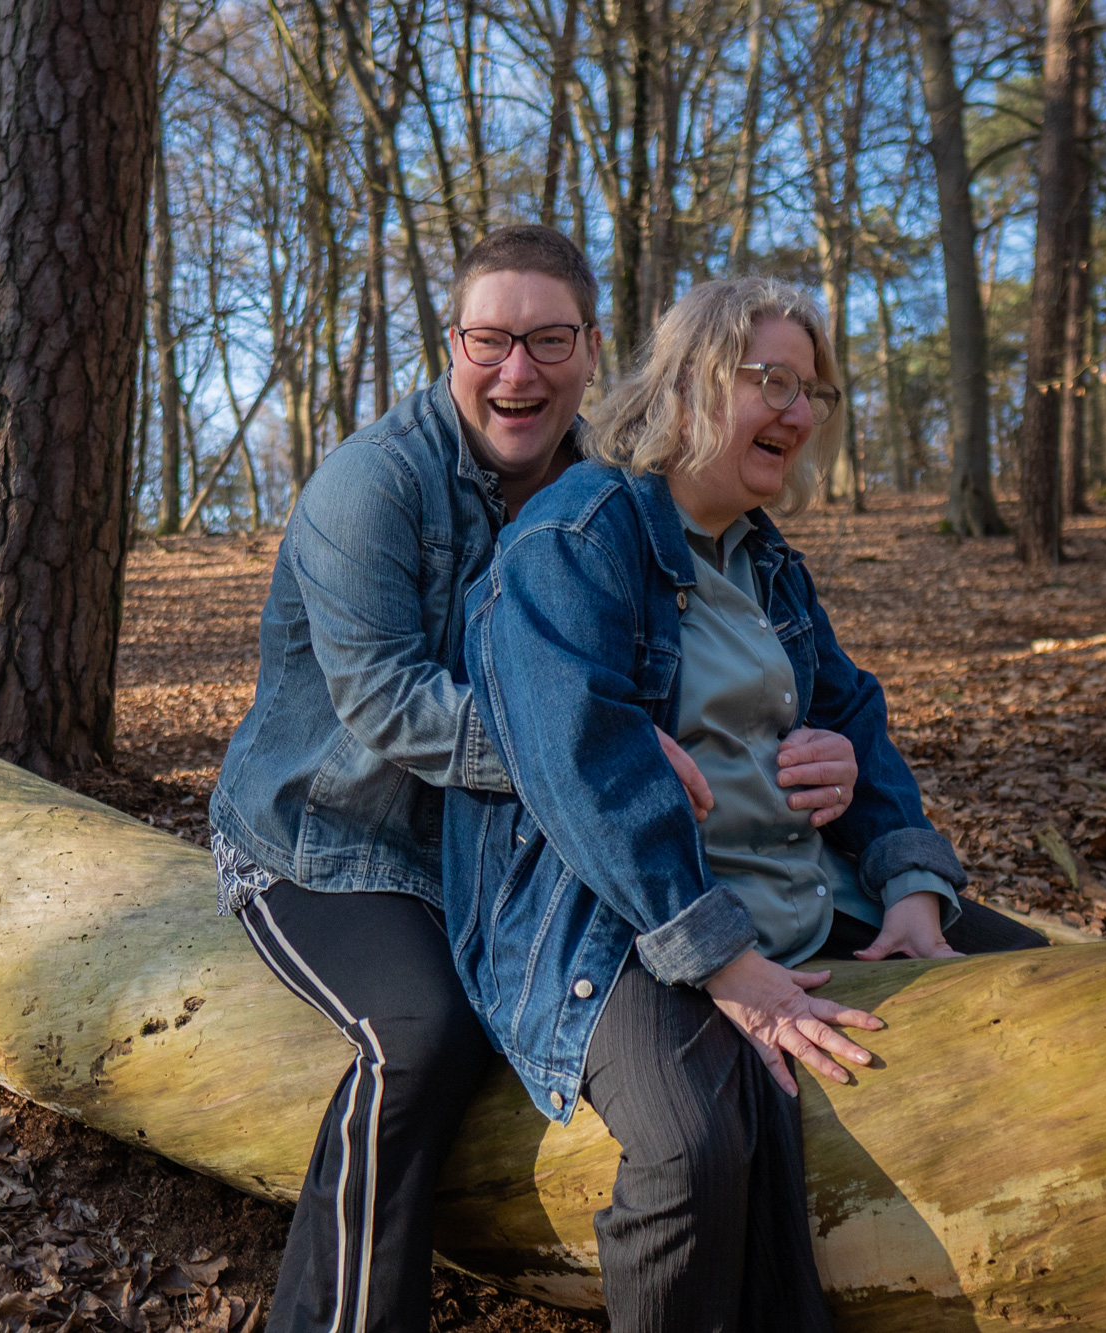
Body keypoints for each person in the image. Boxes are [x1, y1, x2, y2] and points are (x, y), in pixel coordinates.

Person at [207, 231, 860, 1333]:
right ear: (451, 344)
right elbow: (386, 699)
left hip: (491, 848)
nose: (519, 371)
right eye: (491, 340)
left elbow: (677, 657)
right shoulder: (372, 483)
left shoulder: (601, 491)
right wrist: (588, 742)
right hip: (325, 839)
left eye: (550, 340)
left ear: (592, 348)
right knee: (419, 1036)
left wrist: (813, 749)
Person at [443, 276, 1048, 1333]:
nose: (798, 413)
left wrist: (910, 883)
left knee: (1035, 984)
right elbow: (585, 767)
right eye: (772, 381)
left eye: (812, 390)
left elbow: (852, 716)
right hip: (620, 921)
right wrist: (726, 964)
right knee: (693, 1148)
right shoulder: (578, 538)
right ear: (688, 383)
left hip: (798, 891)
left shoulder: (766, 560)